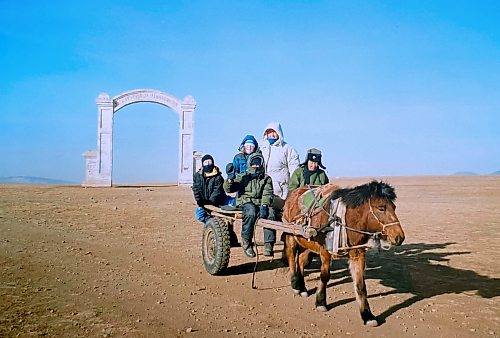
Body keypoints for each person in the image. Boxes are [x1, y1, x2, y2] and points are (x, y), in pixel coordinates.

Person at [259, 122, 300, 256]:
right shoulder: (262, 148)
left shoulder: (287, 149)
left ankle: (287, 245)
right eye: (268, 132)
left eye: (273, 132)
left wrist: (293, 193)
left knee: (287, 218)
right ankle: (268, 245)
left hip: (282, 193)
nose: (271, 135)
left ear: (278, 133)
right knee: (269, 213)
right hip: (264, 192)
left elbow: (295, 173)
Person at [224, 152, 273, 258]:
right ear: (250, 164)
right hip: (245, 202)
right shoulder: (243, 176)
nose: (256, 166)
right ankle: (246, 242)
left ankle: (269, 244)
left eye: (258, 163)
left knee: (271, 214)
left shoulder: (266, 178)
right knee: (250, 212)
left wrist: (264, 205)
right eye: (254, 164)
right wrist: (230, 179)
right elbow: (229, 189)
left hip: (260, 203)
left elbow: (267, 193)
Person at [192, 154, 226, 224]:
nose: (207, 164)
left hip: (217, 202)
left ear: (212, 162)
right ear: (202, 164)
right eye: (205, 162)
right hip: (204, 203)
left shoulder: (218, 177)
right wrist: (200, 201)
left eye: (209, 162)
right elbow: (196, 190)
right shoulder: (197, 176)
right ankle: (211, 224)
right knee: (199, 215)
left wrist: (210, 202)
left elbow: (217, 191)